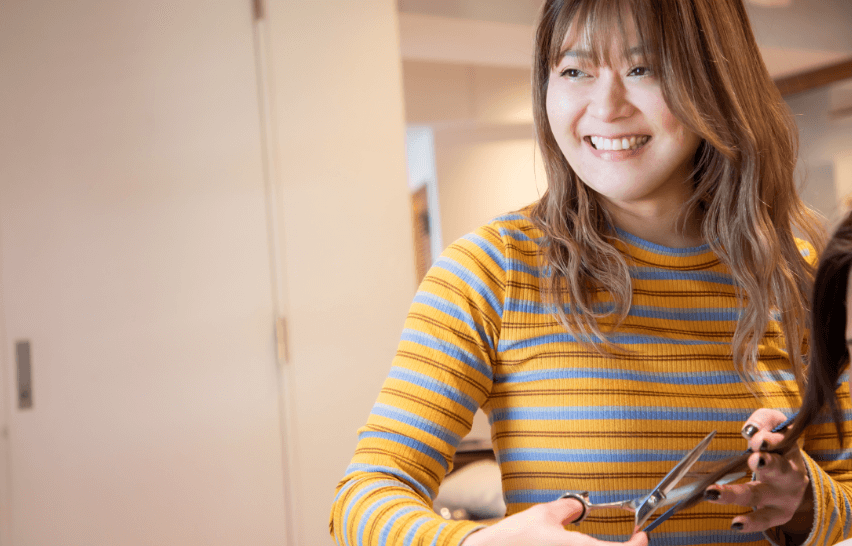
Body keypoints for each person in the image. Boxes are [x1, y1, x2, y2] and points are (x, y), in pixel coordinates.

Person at [329, 0, 852, 544]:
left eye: (643, 68)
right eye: (575, 71)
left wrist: (805, 503)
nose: (606, 107)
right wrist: (473, 543)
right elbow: (366, 495)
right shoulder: (491, 271)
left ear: (716, 79)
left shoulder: (804, 274)